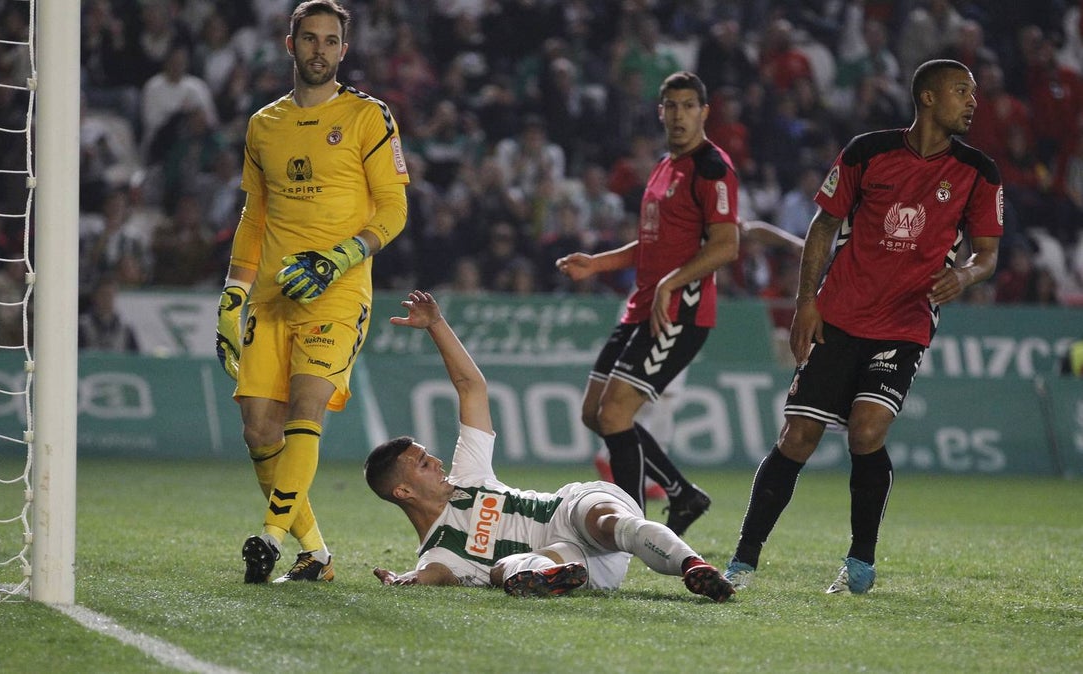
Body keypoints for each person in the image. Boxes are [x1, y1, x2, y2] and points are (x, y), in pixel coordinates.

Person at [723, 59, 1004, 594]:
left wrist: (965, 274)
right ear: (927, 97)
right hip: (840, 313)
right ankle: (743, 559)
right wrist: (807, 301)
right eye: (962, 91)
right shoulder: (866, 151)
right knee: (797, 437)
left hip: (905, 321)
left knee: (867, 428)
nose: (973, 102)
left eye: (974, 92)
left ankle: (860, 563)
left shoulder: (979, 171)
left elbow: (987, 254)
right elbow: (824, 224)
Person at [365, 291, 735, 602]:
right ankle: (549, 576)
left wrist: (436, 325)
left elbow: (472, 387)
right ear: (403, 490)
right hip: (573, 562)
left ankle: (694, 567)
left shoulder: (468, 476)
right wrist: (405, 580)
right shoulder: (440, 554)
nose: (436, 461)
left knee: (608, 521)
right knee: (503, 569)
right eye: (423, 463)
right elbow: (430, 575)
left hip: (568, 512)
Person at [214, 0, 409, 584]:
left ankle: (270, 537)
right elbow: (254, 216)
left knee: (306, 409)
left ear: (343, 51)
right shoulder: (263, 125)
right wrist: (232, 295)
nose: (319, 49)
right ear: (289, 43)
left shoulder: (369, 118)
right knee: (258, 429)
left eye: (330, 40)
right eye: (309, 38)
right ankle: (316, 551)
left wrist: (338, 258)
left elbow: (395, 211)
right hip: (271, 297)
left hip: (338, 292)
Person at [555, 71, 740, 536]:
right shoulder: (663, 165)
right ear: (661, 112)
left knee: (616, 415)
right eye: (671, 106)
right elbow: (652, 243)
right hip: (641, 307)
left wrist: (670, 284)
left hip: (680, 312)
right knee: (593, 412)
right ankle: (681, 493)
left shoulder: (713, 168)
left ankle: (629, 525)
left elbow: (726, 245)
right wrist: (597, 264)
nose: (679, 115)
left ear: (704, 112)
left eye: (688, 106)